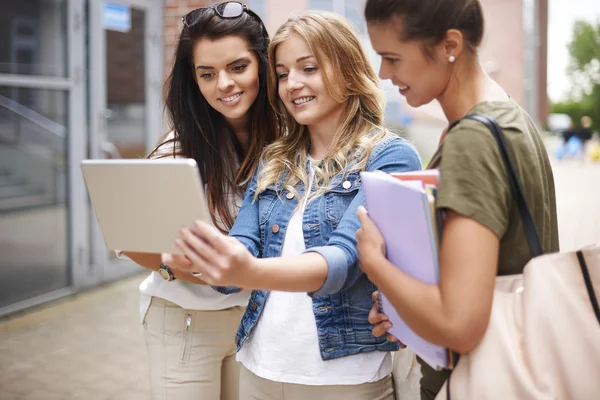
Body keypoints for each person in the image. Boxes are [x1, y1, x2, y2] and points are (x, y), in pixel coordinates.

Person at [171, 11, 422, 400]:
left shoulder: (390, 157)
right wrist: (213, 259)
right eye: (283, 73)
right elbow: (244, 241)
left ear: (348, 69)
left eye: (309, 68)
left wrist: (248, 269)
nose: (293, 84)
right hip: (260, 369)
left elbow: (344, 258)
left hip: (344, 379)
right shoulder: (275, 160)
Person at [356, 0, 559, 399]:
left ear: (450, 44)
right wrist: (404, 305)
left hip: (480, 380)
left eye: (392, 58)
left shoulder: (474, 140)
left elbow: (460, 323)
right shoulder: (508, 117)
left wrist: (376, 264)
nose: (384, 73)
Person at [118, 2, 277, 399]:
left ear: (263, 65)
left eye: (238, 67)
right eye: (207, 74)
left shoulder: (289, 143)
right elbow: (129, 240)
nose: (223, 84)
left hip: (260, 322)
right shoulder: (177, 150)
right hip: (185, 322)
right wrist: (173, 266)